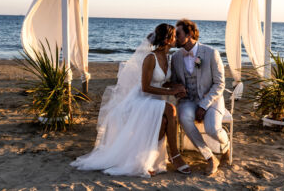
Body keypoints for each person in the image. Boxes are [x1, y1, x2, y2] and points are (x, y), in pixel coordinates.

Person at [70, 23, 191, 177]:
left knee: (164, 122)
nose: (177, 39)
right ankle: (175, 156)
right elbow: (145, 87)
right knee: (171, 109)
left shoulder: (168, 57)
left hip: (155, 101)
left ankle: (146, 159)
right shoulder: (150, 58)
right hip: (141, 100)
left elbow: (162, 81)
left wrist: (176, 86)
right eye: (174, 36)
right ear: (168, 39)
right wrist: (171, 91)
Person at [171, 19, 230, 175]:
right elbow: (175, 82)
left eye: (178, 34)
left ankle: (226, 146)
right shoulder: (175, 57)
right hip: (188, 100)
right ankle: (210, 158)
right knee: (184, 117)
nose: (174, 37)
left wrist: (204, 105)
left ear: (189, 34)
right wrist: (178, 89)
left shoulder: (211, 53)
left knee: (213, 130)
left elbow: (219, 84)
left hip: (212, 99)